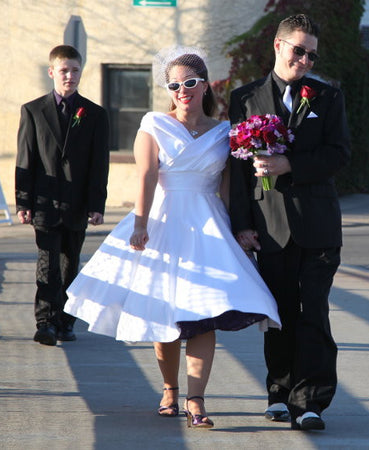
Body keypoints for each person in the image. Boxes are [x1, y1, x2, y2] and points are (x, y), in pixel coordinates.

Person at [64, 46, 281, 429]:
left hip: (208, 225)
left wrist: (240, 232)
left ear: (205, 85)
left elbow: (229, 189)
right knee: (166, 311)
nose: (183, 90)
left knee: (205, 313)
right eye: (175, 84)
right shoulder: (153, 124)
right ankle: (169, 390)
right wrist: (141, 222)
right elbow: (146, 175)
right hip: (162, 222)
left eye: (191, 82)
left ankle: (196, 399)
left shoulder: (223, 132)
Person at [228, 14, 351, 431]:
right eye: (299, 51)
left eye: (312, 55)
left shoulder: (327, 96)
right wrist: (242, 225)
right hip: (269, 226)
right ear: (279, 46)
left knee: (314, 312)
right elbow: (237, 171)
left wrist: (289, 164)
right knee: (278, 314)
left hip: (317, 225)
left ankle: (311, 401)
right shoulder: (244, 98)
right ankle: (278, 393)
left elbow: (338, 155)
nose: (305, 61)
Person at [16, 45, 110, 347]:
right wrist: (23, 202)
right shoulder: (33, 110)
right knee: (47, 262)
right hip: (44, 201)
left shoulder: (94, 114)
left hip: (77, 202)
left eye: (75, 70)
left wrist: (97, 205)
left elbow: (99, 164)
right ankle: (45, 322)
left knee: (71, 263)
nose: (69, 76)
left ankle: (66, 320)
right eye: (64, 70)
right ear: (52, 72)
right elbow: (26, 158)